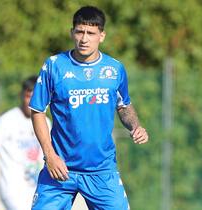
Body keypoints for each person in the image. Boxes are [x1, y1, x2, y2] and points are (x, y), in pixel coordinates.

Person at [29, 5, 149, 210]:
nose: (84, 39)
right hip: (60, 169)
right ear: (72, 33)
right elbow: (38, 111)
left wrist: (135, 127)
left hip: (101, 171)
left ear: (101, 36)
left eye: (91, 33)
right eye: (80, 31)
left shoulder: (114, 69)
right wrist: (49, 155)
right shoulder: (54, 65)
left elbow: (123, 105)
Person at [0, 75, 50, 210]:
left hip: (37, 189)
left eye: (35, 97)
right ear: (21, 95)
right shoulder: (6, 121)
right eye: (28, 96)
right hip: (12, 190)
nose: (31, 102)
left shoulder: (46, 122)